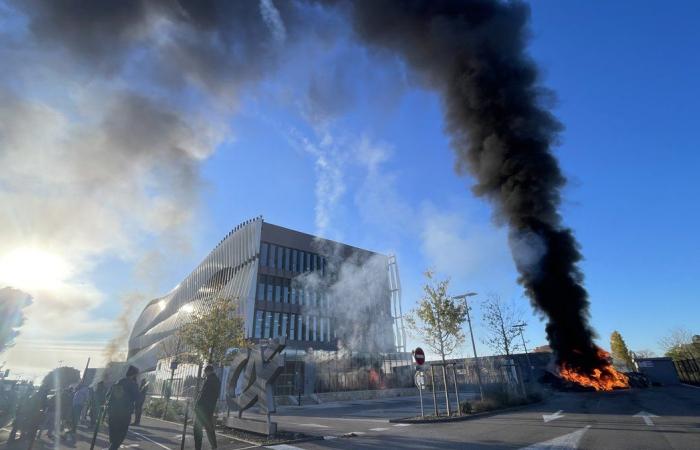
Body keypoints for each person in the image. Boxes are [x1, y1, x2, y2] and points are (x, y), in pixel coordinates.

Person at [106, 365, 140, 450]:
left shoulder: (118, 382)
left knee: (113, 436)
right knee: (121, 434)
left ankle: (112, 447)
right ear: (134, 374)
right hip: (125, 413)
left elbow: (108, 396)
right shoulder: (133, 384)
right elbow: (137, 398)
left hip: (112, 412)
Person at [193, 365, 220, 450]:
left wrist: (196, 406)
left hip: (202, 408)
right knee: (209, 428)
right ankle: (214, 446)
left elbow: (203, 395)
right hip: (209, 408)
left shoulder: (209, 380)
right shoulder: (216, 380)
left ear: (208, 371)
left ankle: (198, 448)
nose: (205, 374)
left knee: (197, 428)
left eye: (205, 372)